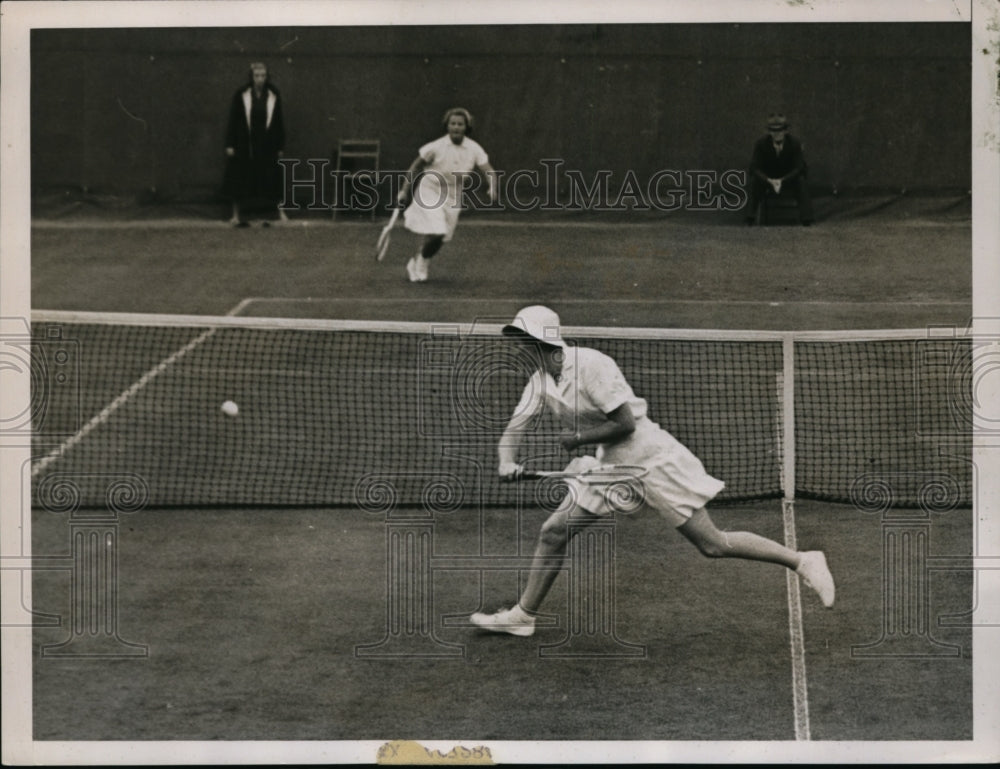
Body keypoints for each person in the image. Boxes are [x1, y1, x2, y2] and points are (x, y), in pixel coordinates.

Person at [470, 305, 835, 637]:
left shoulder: (591, 365)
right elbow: (513, 430)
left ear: (541, 340)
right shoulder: (539, 381)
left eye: (522, 340)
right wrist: (506, 460)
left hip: (650, 458)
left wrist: (577, 438)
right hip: (609, 464)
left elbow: (626, 423)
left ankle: (803, 560)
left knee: (711, 544)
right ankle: (524, 615)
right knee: (553, 532)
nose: (517, 348)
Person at [396, 107, 497, 282]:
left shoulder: (474, 148)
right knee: (437, 230)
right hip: (430, 191)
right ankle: (420, 263)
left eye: (460, 124)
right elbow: (415, 167)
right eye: (453, 124)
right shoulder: (435, 146)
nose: (456, 127)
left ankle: (420, 259)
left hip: (453, 195)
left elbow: (489, 171)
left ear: (466, 127)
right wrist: (404, 190)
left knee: (441, 236)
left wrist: (492, 187)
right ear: (447, 126)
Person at [223, 62, 288, 227]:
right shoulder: (242, 94)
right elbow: (234, 119)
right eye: (257, 76)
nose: (260, 79)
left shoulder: (273, 94)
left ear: (267, 77)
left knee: (272, 177)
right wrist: (230, 144)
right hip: (245, 144)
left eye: (263, 76)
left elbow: (279, 122)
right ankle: (236, 215)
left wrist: (280, 147)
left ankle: (280, 212)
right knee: (239, 178)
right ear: (251, 77)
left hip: (267, 144)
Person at [744, 113, 814, 226]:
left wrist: (782, 180)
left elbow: (800, 167)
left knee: (801, 180)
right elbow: (754, 168)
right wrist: (768, 180)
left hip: (788, 179)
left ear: (786, 131)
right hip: (768, 180)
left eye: (780, 130)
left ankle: (807, 219)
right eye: (773, 130)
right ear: (769, 132)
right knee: (754, 181)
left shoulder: (795, 143)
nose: (777, 134)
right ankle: (750, 218)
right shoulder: (761, 144)